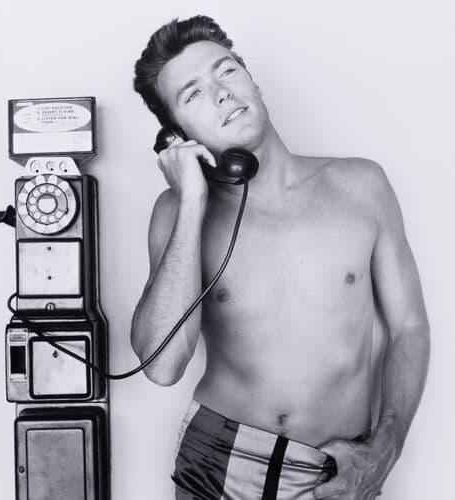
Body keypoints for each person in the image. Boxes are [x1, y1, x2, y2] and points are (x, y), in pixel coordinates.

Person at [131, 15, 430, 499]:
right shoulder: (176, 213)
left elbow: (410, 327)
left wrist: (385, 449)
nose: (221, 94)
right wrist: (190, 201)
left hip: (336, 472)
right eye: (193, 94)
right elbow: (162, 366)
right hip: (217, 465)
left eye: (226, 71)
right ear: (177, 135)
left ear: (253, 81)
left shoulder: (362, 186)